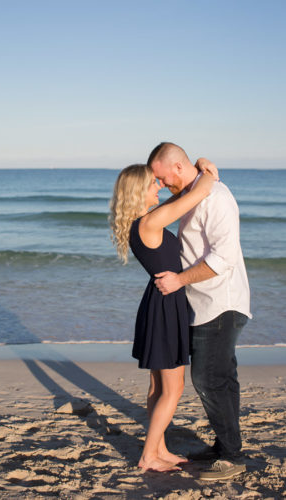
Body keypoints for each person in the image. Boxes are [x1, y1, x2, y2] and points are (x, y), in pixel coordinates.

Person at [147, 142, 251, 481]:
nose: (161, 186)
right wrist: (206, 167)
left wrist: (179, 280)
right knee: (223, 377)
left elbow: (225, 258)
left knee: (207, 378)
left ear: (177, 167)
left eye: (162, 178)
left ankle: (232, 458)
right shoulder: (192, 191)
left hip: (221, 302)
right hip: (201, 303)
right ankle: (225, 446)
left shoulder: (216, 198)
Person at [109, 162, 217, 472]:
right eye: (153, 183)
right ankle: (148, 456)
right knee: (174, 388)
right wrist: (205, 170)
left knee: (159, 387)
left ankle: (159, 448)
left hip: (160, 303)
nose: (159, 187)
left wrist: (194, 178)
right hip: (166, 306)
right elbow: (198, 193)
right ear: (138, 191)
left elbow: (179, 198)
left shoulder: (141, 222)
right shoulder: (149, 223)